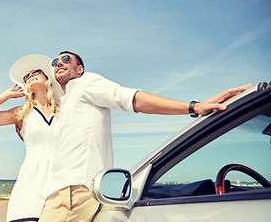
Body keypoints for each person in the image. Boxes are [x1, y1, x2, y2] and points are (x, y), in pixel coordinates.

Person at [37, 51, 252, 222]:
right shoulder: (66, 102)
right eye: (55, 61)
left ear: (80, 68)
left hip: (72, 194)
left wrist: (193, 107)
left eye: (66, 59)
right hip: (58, 195)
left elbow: (130, 98)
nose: (58, 63)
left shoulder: (85, 82)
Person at [0, 54, 63, 222]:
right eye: (26, 77)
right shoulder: (20, 113)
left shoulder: (63, 110)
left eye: (36, 72)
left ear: (47, 77)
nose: (30, 76)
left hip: (61, 181)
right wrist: (5, 96)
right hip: (30, 183)